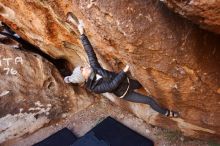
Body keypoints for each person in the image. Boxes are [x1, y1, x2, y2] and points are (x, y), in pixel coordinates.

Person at [64, 13, 178, 118]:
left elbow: (90, 52)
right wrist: (124, 71)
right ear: (83, 77)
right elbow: (111, 86)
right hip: (125, 93)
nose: (85, 66)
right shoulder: (94, 88)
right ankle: (166, 113)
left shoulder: (94, 68)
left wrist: (82, 34)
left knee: (143, 84)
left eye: (82, 67)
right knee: (149, 101)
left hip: (127, 81)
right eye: (82, 69)